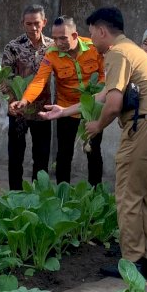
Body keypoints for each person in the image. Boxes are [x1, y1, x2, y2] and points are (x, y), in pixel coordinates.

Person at [39, 7, 147, 282]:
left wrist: (96, 126)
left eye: (92, 33)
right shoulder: (132, 51)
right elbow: (105, 93)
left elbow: (114, 105)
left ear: (102, 31)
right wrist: (64, 111)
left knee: (128, 195)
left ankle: (131, 262)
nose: (91, 39)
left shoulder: (117, 53)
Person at [10, 15, 105, 186]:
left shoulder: (94, 48)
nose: (58, 42)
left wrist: (97, 94)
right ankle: (64, 195)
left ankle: (96, 192)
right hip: (65, 109)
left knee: (94, 151)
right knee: (64, 154)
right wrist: (25, 100)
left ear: (75, 36)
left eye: (63, 38)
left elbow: (105, 75)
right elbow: (40, 80)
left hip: (92, 109)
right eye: (54, 38)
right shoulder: (51, 53)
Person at [2, 4, 55, 190]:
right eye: (29, 24)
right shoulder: (13, 47)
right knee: (16, 156)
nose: (33, 28)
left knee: (41, 157)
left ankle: (38, 195)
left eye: (37, 23)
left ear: (44, 22)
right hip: (19, 111)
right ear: (22, 24)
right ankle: (14, 195)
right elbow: (5, 79)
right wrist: (11, 101)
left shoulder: (53, 46)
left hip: (43, 110)